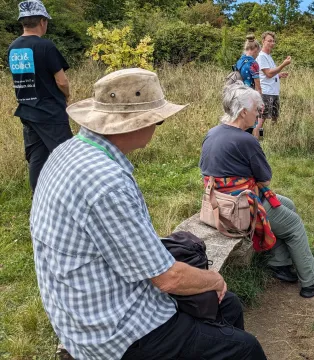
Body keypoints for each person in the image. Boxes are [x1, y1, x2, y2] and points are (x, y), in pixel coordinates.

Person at [30, 68, 266, 360]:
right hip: (113, 331)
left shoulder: (68, 150)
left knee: (227, 306)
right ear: (135, 123)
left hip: (78, 303)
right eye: (158, 119)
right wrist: (214, 280)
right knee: (245, 349)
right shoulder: (107, 182)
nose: (158, 126)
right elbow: (167, 279)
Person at [200, 84, 314, 298]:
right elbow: (265, 179)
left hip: (219, 202)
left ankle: (279, 262)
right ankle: (312, 281)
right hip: (240, 208)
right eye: (255, 111)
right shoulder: (246, 140)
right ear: (243, 112)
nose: (258, 115)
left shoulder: (212, 133)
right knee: (294, 224)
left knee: (286, 204)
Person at [9, 0, 72, 191]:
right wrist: (67, 96)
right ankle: (71, 196)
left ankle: (38, 198)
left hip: (27, 111)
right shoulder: (46, 46)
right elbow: (62, 81)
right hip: (50, 112)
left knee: (37, 157)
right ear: (43, 21)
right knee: (68, 155)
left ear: (23, 22)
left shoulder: (13, 48)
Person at [256, 31, 290, 133]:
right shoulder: (261, 56)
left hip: (274, 92)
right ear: (263, 41)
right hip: (266, 92)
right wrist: (283, 64)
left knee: (275, 118)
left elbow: (270, 74)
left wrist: (278, 75)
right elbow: (268, 74)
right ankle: (258, 139)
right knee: (262, 120)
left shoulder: (269, 56)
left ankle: (274, 138)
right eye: (269, 41)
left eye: (273, 41)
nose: (272, 43)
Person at [236, 34, 262, 138]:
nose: (258, 54)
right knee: (250, 123)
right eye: (258, 51)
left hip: (238, 95)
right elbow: (257, 85)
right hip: (250, 96)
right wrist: (260, 102)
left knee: (240, 122)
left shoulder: (239, 61)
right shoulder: (253, 63)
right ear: (255, 49)